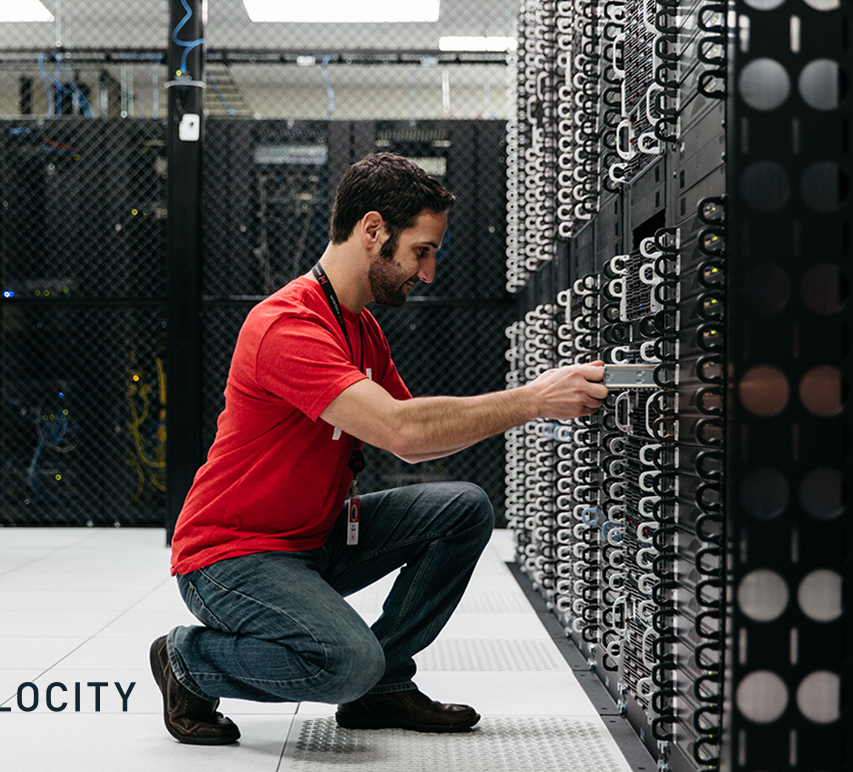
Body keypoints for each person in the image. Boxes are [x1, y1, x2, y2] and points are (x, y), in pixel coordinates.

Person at [150, 153, 607, 745]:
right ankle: (188, 660)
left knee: (464, 509)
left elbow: (415, 445)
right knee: (344, 662)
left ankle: (384, 686)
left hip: (311, 539)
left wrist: (528, 403)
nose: (428, 273)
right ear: (372, 231)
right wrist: (533, 401)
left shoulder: (361, 329)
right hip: (231, 555)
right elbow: (401, 431)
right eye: (422, 250)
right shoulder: (285, 327)